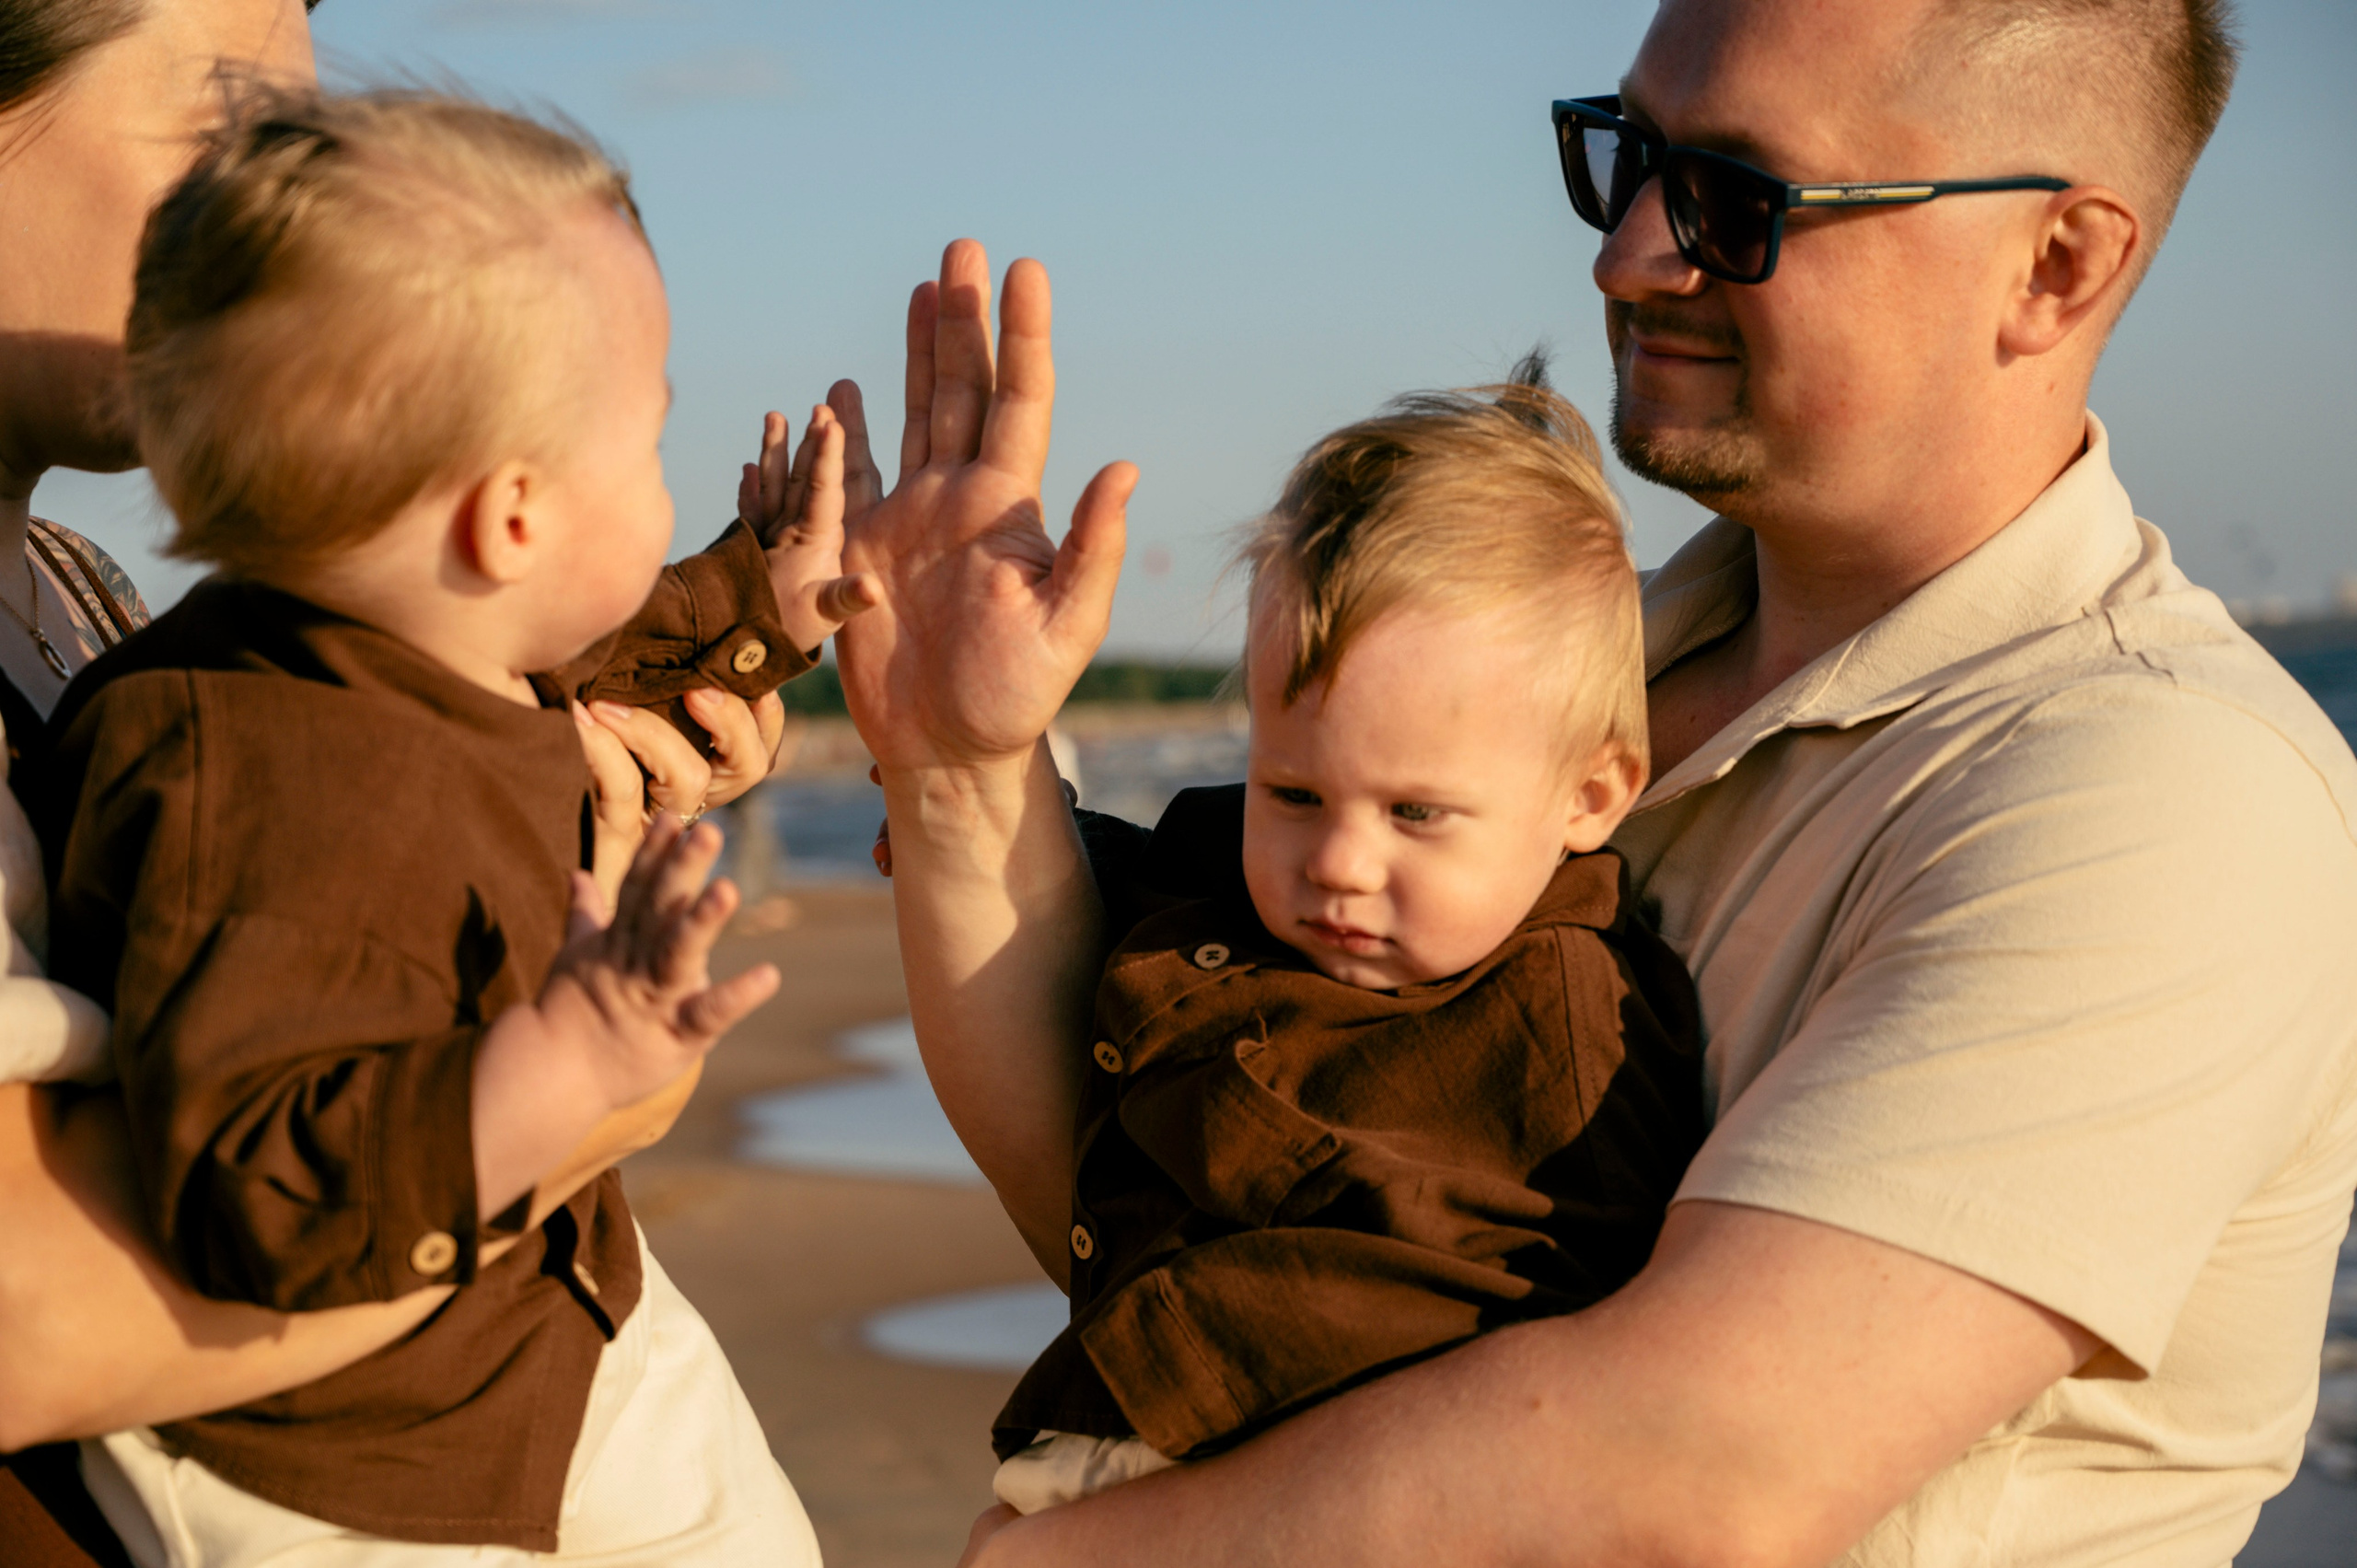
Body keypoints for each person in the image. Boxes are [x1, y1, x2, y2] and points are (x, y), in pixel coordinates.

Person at [826, 0, 2357, 1562]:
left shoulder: (2160, 793)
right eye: (1632, 157)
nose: (1628, 252)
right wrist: (959, 773)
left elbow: (1687, 1478)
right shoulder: (1540, 673)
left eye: (1739, 199)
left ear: (2057, 266)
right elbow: (1168, 1225)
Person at [36, 87, 877, 1565]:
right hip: (371, 1482)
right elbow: (256, 1185)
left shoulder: (362, 651)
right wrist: (563, 1071)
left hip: (495, 1368)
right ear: (508, 519)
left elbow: (579, 647)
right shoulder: (269, 777)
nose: (659, 489)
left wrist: (760, 602)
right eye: (648, 440)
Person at [989, 372, 1705, 1515]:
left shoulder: (1570, 1033)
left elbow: (1596, 1354)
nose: (1338, 861)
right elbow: (1128, 886)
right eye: (1294, 790)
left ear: (1588, 794)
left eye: (1414, 812)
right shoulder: (1234, 876)